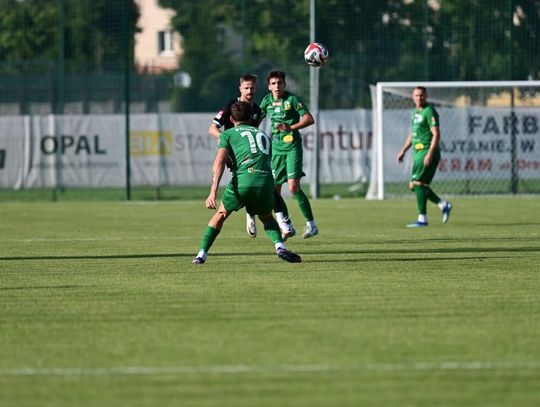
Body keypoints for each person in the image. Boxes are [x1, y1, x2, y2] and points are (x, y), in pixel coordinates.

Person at [193, 101, 301, 264]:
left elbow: (219, 162)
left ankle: (201, 255)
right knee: (267, 218)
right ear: (251, 118)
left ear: (231, 119)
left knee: (221, 214)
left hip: (243, 181)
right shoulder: (263, 135)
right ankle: (280, 247)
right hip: (265, 183)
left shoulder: (227, 134)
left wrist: (213, 192)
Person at [259, 70, 319, 239]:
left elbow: (309, 119)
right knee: (274, 191)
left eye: (280, 83)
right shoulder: (266, 101)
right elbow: (257, 120)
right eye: (273, 83)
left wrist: (290, 127)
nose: (277, 86)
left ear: (284, 84)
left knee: (293, 187)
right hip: (276, 149)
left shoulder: (292, 99)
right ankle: (287, 226)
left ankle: (312, 225)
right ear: (269, 86)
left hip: (292, 146)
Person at [209, 74, 262, 239]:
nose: (249, 91)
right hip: (232, 152)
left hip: (248, 153)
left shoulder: (257, 110)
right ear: (240, 89)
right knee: (236, 177)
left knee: (249, 180)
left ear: (256, 88)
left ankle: (250, 212)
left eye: (252, 87)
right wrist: (228, 140)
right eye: (246, 87)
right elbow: (212, 128)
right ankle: (245, 209)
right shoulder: (231, 106)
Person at [397, 86, 453, 228]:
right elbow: (413, 134)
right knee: (414, 185)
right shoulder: (415, 112)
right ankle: (443, 205)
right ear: (412, 97)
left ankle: (422, 219)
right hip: (418, 152)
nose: (419, 98)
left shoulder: (430, 111)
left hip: (426, 151)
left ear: (426, 96)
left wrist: (430, 153)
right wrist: (403, 150)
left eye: (422, 95)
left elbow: (436, 134)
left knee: (417, 183)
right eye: (416, 95)